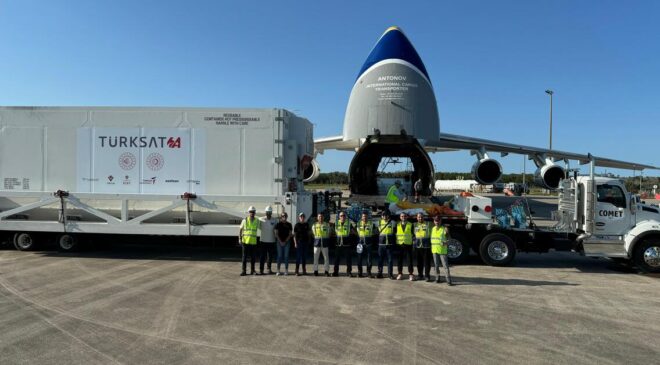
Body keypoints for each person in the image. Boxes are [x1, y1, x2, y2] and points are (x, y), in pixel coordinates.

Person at [431, 215, 453, 286]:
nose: (437, 222)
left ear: (440, 221)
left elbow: (450, 240)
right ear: (434, 221)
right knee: (436, 265)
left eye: (438, 220)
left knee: (445, 266)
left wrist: (445, 243)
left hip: (442, 251)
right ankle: (437, 278)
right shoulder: (433, 229)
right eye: (435, 221)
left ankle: (448, 279)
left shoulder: (444, 229)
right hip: (434, 250)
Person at [333, 211, 355, 277]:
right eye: (341, 216)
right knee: (336, 259)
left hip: (347, 244)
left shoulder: (349, 223)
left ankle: (349, 272)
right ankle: (335, 272)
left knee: (348, 259)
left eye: (344, 216)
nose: (342, 217)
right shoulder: (336, 223)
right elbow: (332, 232)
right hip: (338, 244)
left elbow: (353, 231)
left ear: (345, 217)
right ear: (339, 217)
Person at [238, 206, 258, 276]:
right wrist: (239, 239)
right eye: (251, 212)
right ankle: (244, 271)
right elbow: (240, 230)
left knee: (253, 258)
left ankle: (253, 270)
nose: (252, 213)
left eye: (253, 212)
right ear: (249, 212)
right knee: (244, 257)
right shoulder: (244, 220)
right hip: (245, 242)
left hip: (253, 242)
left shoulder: (257, 221)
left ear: (255, 213)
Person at [395, 212, 414, 281]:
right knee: (399, 260)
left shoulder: (410, 224)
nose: (403, 217)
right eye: (402, 216)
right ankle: (400, 273)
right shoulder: (397, 225)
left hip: (408, 244)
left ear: (407, 217)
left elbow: (413, 234)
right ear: (400, 217)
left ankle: (411, 274)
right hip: (400, 245)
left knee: (409, 260)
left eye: (405, 216)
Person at [356, 211, 376, 278]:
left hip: (368, 243)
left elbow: (375, 231)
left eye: (366, 216)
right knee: (359, 259)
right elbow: (355, 231)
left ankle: (369, 272)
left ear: (368, 217)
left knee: (369, 259)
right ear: (361, 217)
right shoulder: (358, 223)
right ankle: (359, 272)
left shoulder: (371, 223)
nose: (365, 217)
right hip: (360, 243)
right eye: (363, 216)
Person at [258, 206, 277, 275]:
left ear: (271, 213)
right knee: (262, 256)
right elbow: (259, 227)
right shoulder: (260, 219)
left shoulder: (275, 220)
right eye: (267, 212)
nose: (268, 213)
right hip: (263, 241)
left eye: (270, 212)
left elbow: (276, 229)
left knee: (270, 257)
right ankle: (261, 270)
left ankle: (269, 269)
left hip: (272, 241)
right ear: (265, 212)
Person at [414, 212, 432, 282]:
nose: (420, 218)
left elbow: (438, 223)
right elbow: (413, 234)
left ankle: (427, 276)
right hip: (418, 246)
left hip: (426, 246)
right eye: (419, 217)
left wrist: (445, 227)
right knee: (419, 262)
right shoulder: (415, 225)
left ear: (423, 217)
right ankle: (420, 275)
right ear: (417, 218)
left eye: (421, 217)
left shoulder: (428, 224)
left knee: (427, 262)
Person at [377, 211, 395, 279]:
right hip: (381, 245)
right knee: (380, 259)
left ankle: (390, 274)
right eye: (383, 215)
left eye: (386, 215)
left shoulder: (392, 222)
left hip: (389, 244)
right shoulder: (378, 222)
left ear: (388, 216)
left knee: (390, 260)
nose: (384, 216)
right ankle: (379, 273)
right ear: (381, 216)